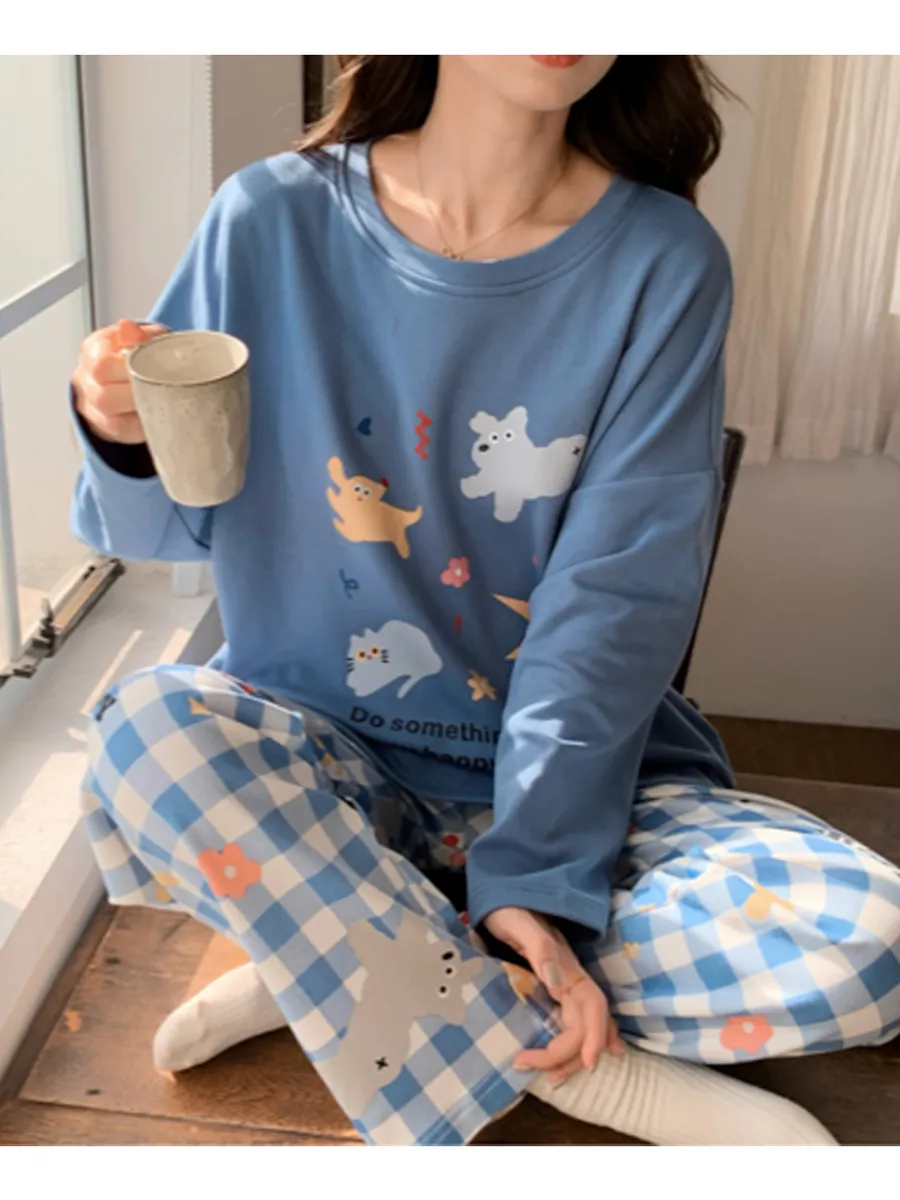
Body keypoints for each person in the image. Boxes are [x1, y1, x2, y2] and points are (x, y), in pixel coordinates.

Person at [71, 55, 900, 1147]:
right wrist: (120, 431)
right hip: (323, 772)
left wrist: (539, 882)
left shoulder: (663, 259)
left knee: (868, 944)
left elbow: (614, 604)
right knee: (147, 734)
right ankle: (569, 1066)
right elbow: (168, 527)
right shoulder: (268, 218)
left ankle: (344, 960)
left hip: (579, 790)